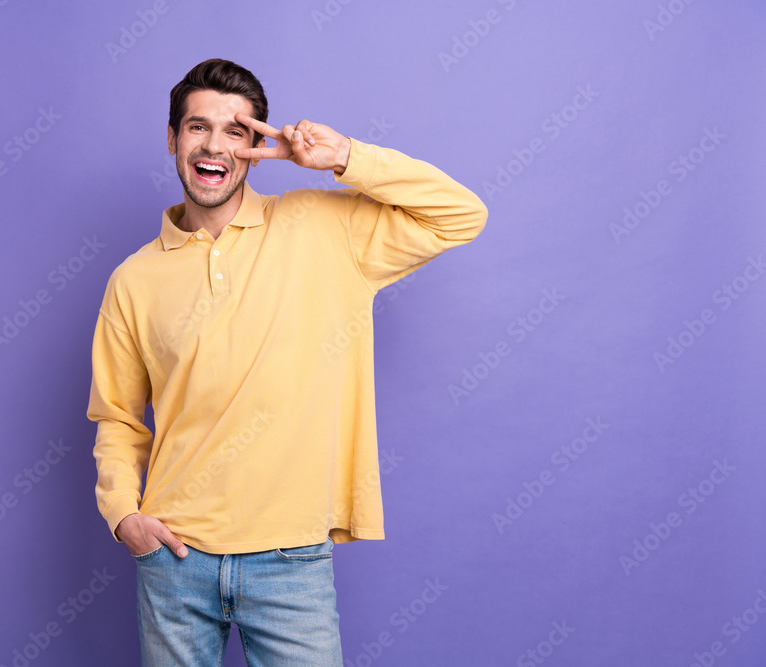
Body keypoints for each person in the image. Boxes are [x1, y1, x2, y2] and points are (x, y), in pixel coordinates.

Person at [86, 58, 488, 665]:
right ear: (173, 139)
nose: (213, 145)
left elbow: (461, 215)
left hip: (290, 563)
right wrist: (123, 516)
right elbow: (116, 416)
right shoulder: (133, 279)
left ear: (256, 146)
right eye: (197, 127)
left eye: (235, 131)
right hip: (173, 558)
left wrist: (345, 156)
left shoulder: (322, 227)